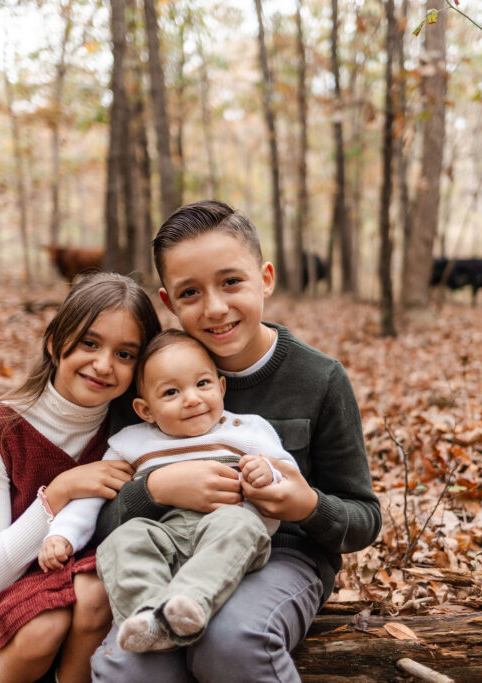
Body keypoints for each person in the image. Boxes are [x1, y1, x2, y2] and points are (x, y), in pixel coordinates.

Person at [90, 200, 382, 682]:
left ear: (265, 278)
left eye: (231, 282)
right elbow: (101, 521)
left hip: (285, 555)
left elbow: (363, 518)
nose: (216, 307)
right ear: (168, 302)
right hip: (165, 550)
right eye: (190, 292)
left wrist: (307, 505)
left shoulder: (320, 379)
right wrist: (155, 490)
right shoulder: (150, 383)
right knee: (128, 665)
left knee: (231, 640)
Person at [38, 329, 297, 654]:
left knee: (241, 525)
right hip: (162, 541)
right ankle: (147, 615)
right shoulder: (132, 443)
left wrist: (268, 474)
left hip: (225, 540)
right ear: (146, 410)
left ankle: (189, 604)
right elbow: (94, 494)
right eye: (172, 392)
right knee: (122, 539)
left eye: (202, 384)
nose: (192, 398)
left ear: (221, 387)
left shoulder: (246, 431)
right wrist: (62, 534)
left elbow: (289, 476)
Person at [0, 272, 161, 683]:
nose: (104, 365)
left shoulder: (138, 424)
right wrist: (60, 492)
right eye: (89, 343)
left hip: (108, 577)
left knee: (94, 594)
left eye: (126, 355)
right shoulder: (0, 428)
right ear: (55, 341)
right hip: (27, 576)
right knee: (43, 627)